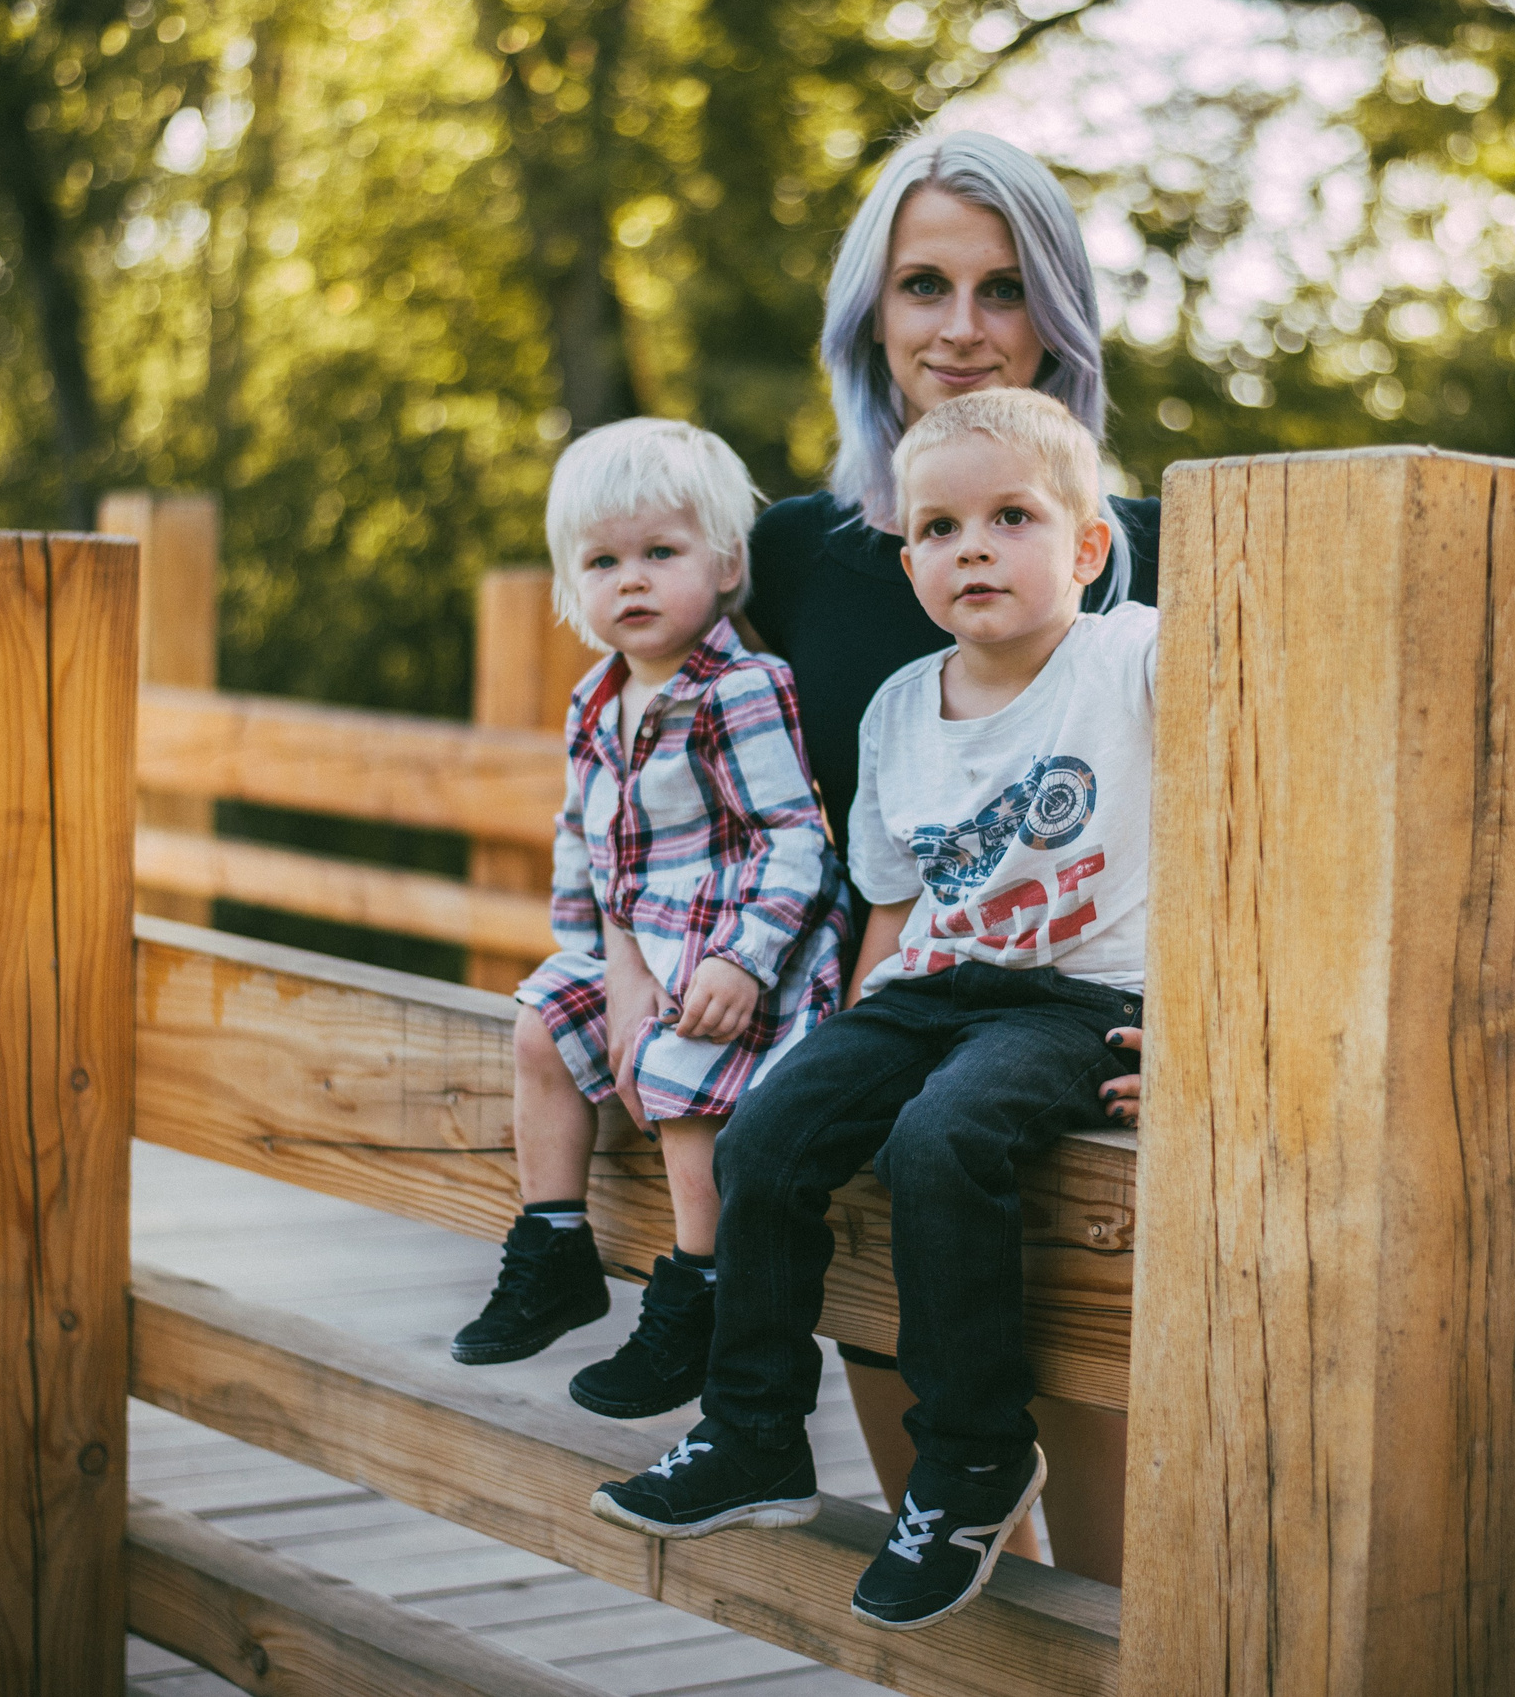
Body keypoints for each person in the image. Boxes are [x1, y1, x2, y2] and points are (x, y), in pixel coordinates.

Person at [590, 388, 1155, 1633]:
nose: (972, 550)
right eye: (939, 528)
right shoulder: (900, 707)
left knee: (939, 1141)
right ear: (909, 564)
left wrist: (1211, 1043)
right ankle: (752, 1433)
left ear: (1087, 546)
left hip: (1079, 1000)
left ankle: (972, 1458)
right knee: (768, 1134)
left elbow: (1262, 817)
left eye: (1011, 519)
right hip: (930, 991)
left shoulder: (1135, 660)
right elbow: (892, 912)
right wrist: (841, 1055)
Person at [745, 126, 1150, 1584]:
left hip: (1075, 1078)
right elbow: (688, 774)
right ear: (871, 311)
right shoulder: (793, 555)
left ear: (1058, 316)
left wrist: (1223, 1036)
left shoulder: (1146, 556)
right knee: (946, 1547)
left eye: (1004, 287)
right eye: (925, 284)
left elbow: (1273, 832)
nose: (963, 327)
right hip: (869, 1049)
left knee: (1101, 1575)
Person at [448, 418, 846, 1422]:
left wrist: (745, 960)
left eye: (660, 553)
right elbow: (582, 831)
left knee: (680, 1073)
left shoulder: (740, 690)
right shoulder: (596, 699)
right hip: (642, 950)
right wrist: (586, 954)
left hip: (737, 959)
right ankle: (553, 1245)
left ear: (725, 565)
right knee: (542, 1020)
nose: (631, 580)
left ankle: (701, 1287)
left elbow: (795, 838)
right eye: (602, 562)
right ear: (570, 583)